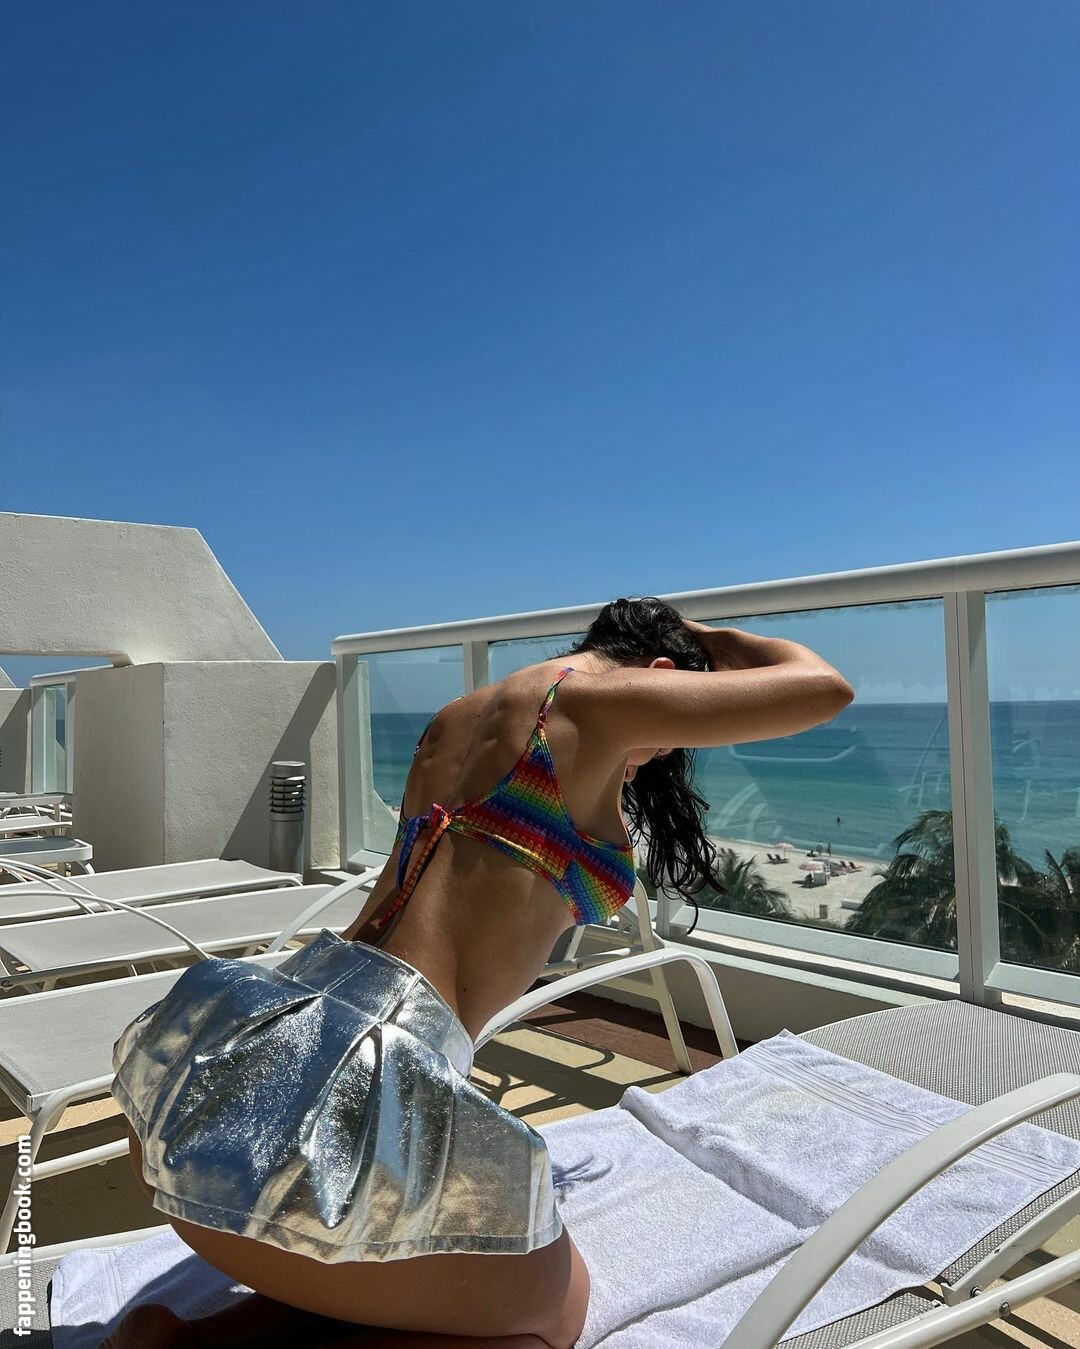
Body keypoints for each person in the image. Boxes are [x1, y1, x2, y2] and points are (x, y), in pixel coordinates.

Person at [102, 597, 853, 1349]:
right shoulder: (595, 704)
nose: (652, 757)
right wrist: (709, 637)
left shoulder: (457, 717)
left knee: (389, 1240)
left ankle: (187, 1337)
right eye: (668, 737)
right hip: (363, 1073)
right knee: (552, 1318)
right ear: (660, 673)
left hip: (221, 1078)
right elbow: (823, 685)